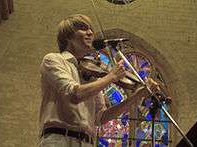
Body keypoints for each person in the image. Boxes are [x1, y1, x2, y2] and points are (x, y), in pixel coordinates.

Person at [38, 14, 158, 147]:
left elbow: (101, 117)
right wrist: (110, 77)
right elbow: (74, 94)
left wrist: (138, 95)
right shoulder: (54, 60)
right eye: (83, 28)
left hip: (87, 142)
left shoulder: (90, 72)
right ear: (68, 37)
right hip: (59, 139)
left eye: (91, 29)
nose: (90, 33)